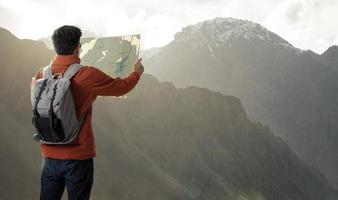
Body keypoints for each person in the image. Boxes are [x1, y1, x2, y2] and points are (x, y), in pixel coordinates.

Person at [31, 25, 144, 200]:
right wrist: (136, 74)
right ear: (78, 47)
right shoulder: (87, 75)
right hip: (78, 156)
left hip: (49, 155)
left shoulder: (40, 74)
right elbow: (121, 87)